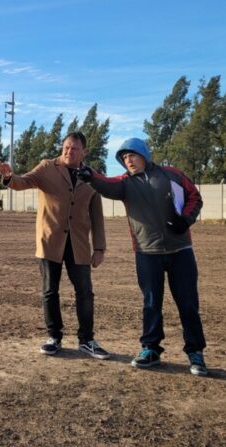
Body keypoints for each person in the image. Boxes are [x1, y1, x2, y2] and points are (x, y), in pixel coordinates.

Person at [77, 137, 208, 376]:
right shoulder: (125, 183)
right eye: (124, 158)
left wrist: (186, 219)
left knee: (188, 304)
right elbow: (105, 184)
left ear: (144, 155)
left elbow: (194, 197)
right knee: (150, 304)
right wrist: (90, 175)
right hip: (147, 252)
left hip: (181, 251)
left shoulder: (172, 174)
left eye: (132, 156)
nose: (128, 161)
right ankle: (150, 349)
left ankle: (195, 352)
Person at [0, 132, 109, 359]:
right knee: (50, 291)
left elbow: (97, 215)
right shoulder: (47, 167)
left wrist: (99, 248)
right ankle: (54, 337)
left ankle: (87, 340)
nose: (68, 152)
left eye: (74, 149)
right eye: (66, 147)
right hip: (50, 242)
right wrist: (9, 177)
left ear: (84, 152)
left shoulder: (92, 177)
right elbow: (23, 181)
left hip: (78, 244)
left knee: (85, 292)